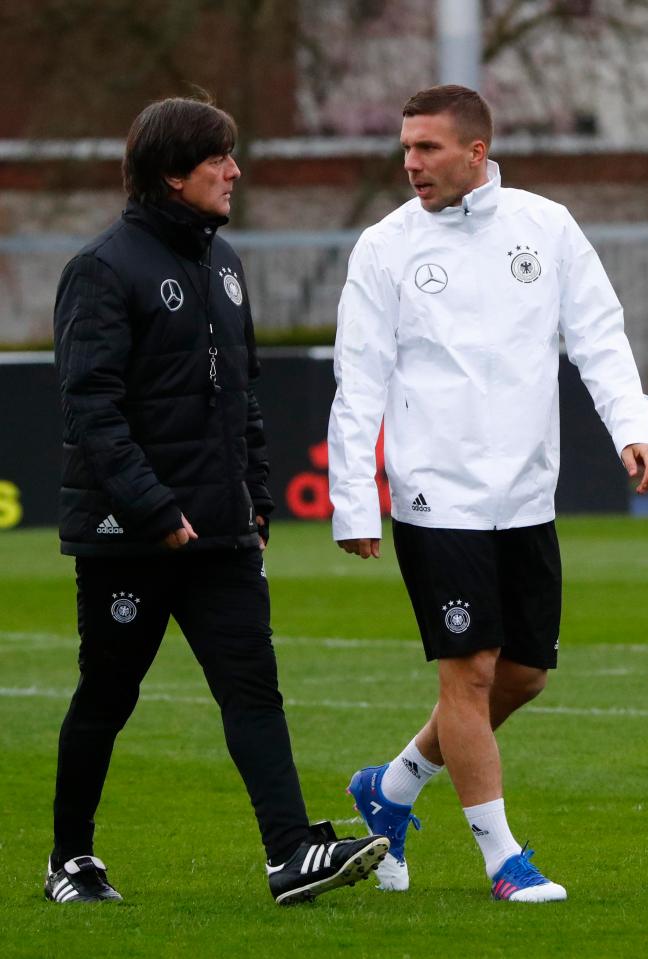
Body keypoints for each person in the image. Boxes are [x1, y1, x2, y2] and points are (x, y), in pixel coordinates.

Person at [46, 95, 388, 906]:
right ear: (172, 174)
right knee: (108, 693)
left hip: (224, 532)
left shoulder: (224, 263)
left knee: (254, 689)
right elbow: (89, 407)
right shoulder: (101, 268)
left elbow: (243, 395)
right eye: (218, 160)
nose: (235, 172)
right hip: (131, 535)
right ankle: (69, 860)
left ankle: (289, 852)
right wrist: (155, 508)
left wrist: (256, 500)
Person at [328, 85, 648, 902]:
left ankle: (393, 785)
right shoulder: (384, 246)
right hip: (435, 495)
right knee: (469, 672)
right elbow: (358, 378)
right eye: (406, 147)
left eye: (429, 148)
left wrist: (633, 422)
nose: (411, 163)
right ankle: (504, 860)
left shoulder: (545, 227)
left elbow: (598, 332)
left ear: (477, 152)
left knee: (523, 674)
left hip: (524, 494)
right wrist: (353, 498)